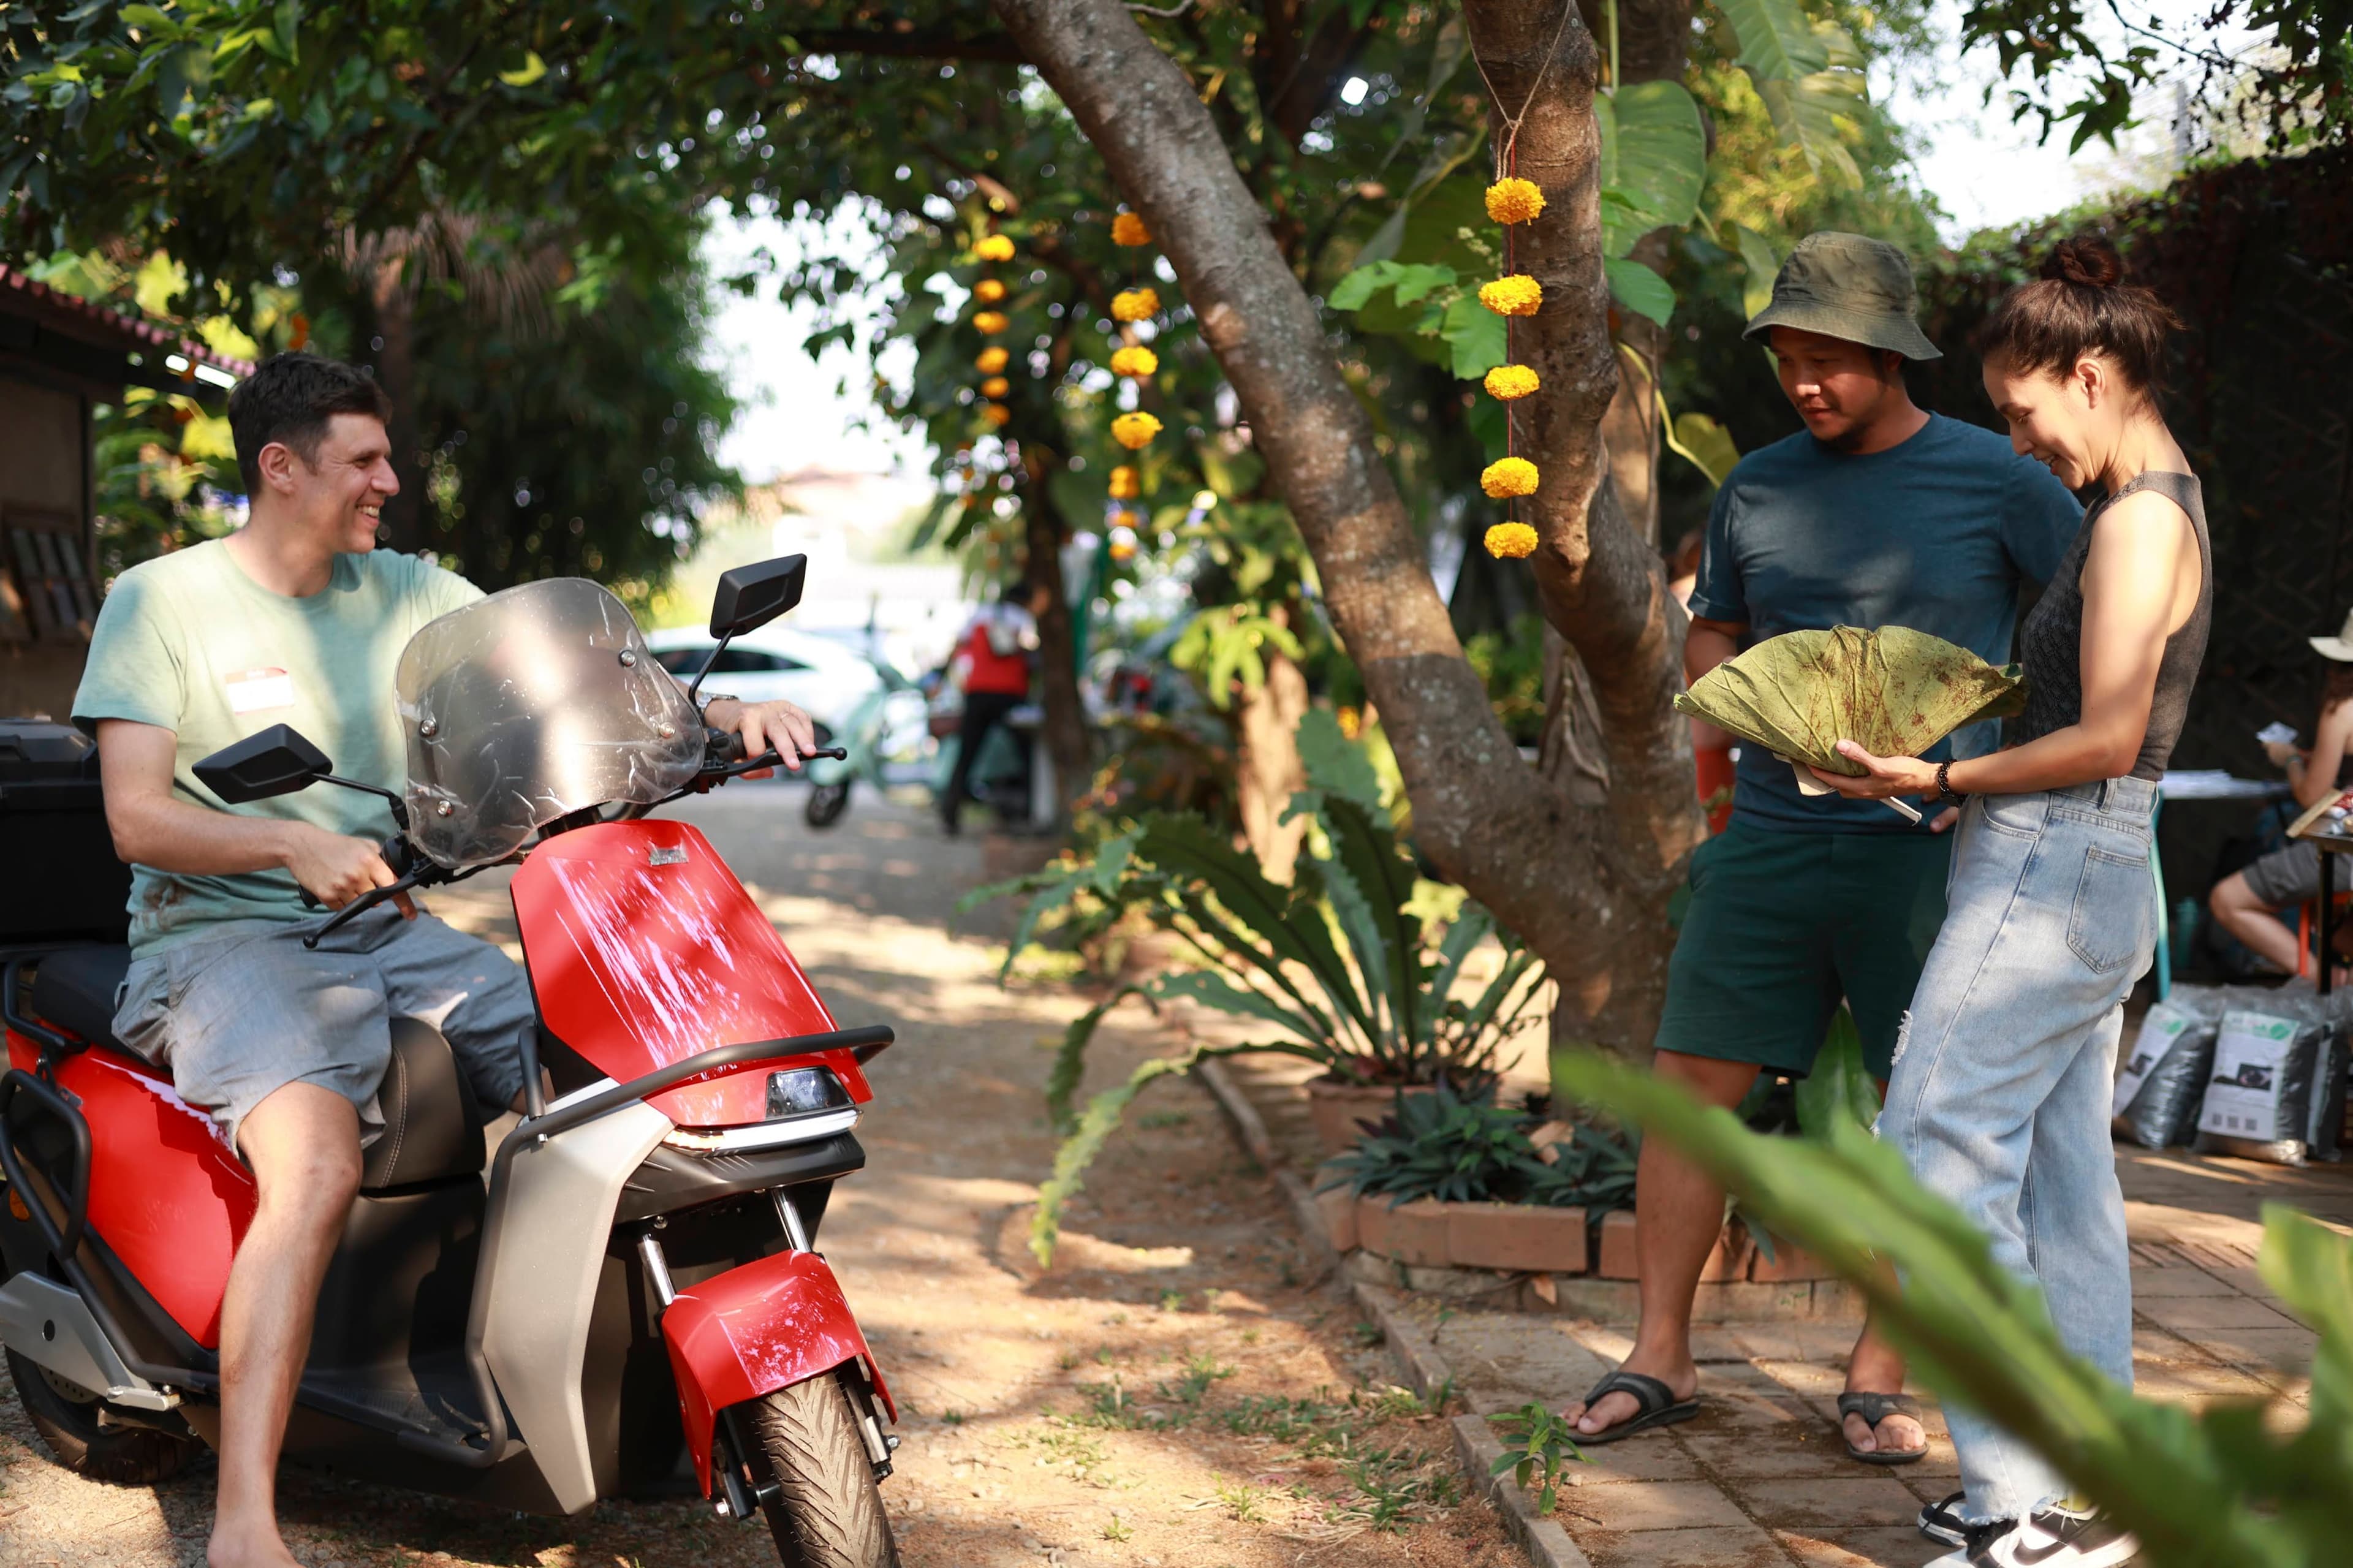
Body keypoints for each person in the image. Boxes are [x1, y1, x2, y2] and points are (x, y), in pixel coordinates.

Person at [72, 353, 816, 1568]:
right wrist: (284, 840)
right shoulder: (163, 602)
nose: (389, 480)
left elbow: (568, 675)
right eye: (364, 458)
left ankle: (575, 1382)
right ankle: (247, 1520)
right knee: (310, 1158)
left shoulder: (410, 588)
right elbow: (134, 815)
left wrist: (720, 717)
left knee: (615, 1076)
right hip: (223, 942)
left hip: (394, 928)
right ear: (281, 465)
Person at [1561, 232, 2084, 1463]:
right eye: (1791, 358)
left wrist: (1984, 780)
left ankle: (1878, 1368)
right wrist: (1755, 701)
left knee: (1927, 1106)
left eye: (1833, 360)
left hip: (1933, 843)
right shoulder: (1758, 485)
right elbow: (1715, 635)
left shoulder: (1998, 480)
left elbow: (2084, 643)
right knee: (1692, 1088)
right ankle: (1661, 1352)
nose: (1806, 382)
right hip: (1774, 834)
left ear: (1893, 355)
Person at [1812, 234, 2205, 1567]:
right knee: (2057, 1181)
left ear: (2089, 375)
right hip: (2068, 860)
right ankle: (2093, 1489)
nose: (2021, 440)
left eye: (2026, 410)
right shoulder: (2146, 504)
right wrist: (1944, 785)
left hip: (2057, 865)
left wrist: (1942, 768)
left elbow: (2105, 734)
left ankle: (2018, 1507)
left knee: (1931, 1150)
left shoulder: (2145, 517)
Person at [2207, 616, 2353, 982]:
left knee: (2228, 900)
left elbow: (2312, 796)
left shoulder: (2343, 710)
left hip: (2346, 847)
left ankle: (2330, 980)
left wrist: (2287, 758)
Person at [938, 578, 1048, 835]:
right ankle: (1026, 810)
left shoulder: (981, 614)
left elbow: (958, 647)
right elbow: (1031, 652)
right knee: (1025, 752)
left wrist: (942, 675)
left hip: (978, 692)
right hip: (1010, 694)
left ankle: (950, 812)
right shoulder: (1023, 619)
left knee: (967, 754)